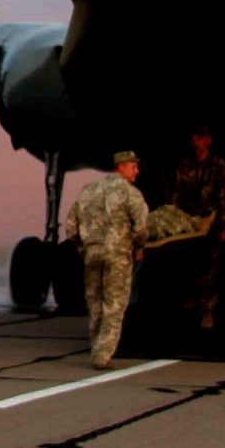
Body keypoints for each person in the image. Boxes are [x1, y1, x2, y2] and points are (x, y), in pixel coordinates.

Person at [66, 150, 149, 369]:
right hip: (117, 255)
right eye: (133, 166)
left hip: (92, 254)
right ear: (121, 167)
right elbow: (141, 226)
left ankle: (96, 344)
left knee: (94, 303)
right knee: (115, 304)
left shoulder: (88, 191)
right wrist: (138, 246)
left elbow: (71, 226)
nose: (137, 171)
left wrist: (81, 247)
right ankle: (102, 356)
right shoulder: (130, 193)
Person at [172, 124, 225, 329]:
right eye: (194, 138)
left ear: (208, 140)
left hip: (211, 225)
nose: (196, 142)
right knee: (188, 265)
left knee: (209, 269)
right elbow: (177, 196)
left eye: (200, 138)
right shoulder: (186, 166)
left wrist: (224, 225)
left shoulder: (218, 166)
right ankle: (189, 306)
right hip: (189, 225)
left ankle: (208, 310)